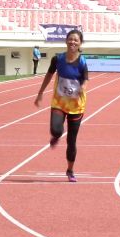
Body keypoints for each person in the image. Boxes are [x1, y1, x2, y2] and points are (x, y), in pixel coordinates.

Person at [34, 29, 88, 182]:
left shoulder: (82, 62)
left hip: (77, 106)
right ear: (66, 41)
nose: (72, 42)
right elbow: (49, 75)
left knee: (71, 140)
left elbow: (86, 80)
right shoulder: (57, 59)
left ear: (80, 43)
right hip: (59, 102)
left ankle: (70, 170)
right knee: (56, 130)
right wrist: (40, 92)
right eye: (70, 39)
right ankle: (56, 136)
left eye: (76, 40)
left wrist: (82, 89)